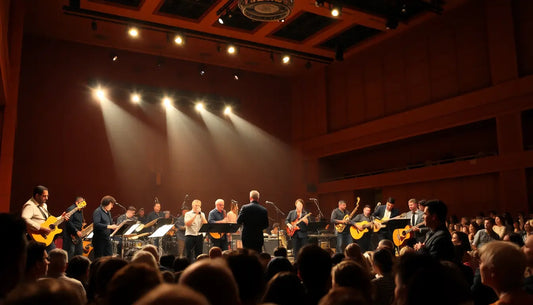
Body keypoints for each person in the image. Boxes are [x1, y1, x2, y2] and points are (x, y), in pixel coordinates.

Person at [21, 185, 57, 251]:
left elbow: (48, 220)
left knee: (53, 255)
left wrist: (62, 217)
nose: (46, 198)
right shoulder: (30, 205)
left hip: (46, 236)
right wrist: (40, 228)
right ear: (37, 196)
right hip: (35, 237)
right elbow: (24, 219)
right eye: (44, 196)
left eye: (47, 196)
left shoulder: (44, 205)